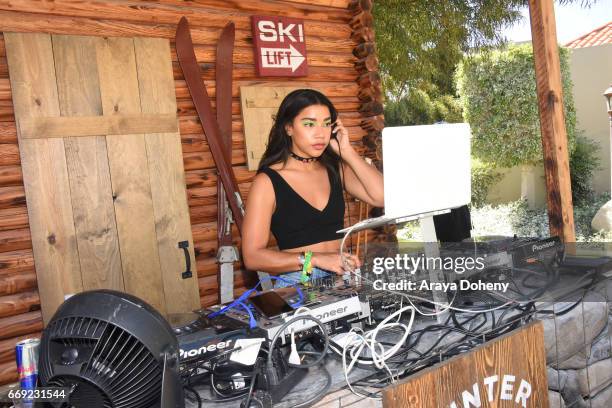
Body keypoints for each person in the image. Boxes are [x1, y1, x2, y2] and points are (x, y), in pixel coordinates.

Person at [241, 89, 384, 286]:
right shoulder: (267, 181)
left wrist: (347, 152)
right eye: (309, 124)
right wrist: (314, 259)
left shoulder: (334, 169)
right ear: (288, 127)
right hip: (301, 277)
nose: (320, 134)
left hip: (342, 276)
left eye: (326, 124)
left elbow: (382, 197)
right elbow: (252, 257)